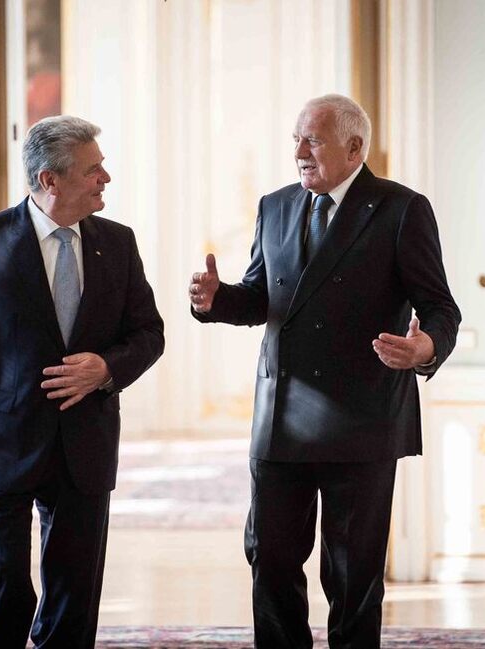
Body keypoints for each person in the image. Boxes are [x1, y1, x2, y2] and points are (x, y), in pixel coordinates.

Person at [189, 94, 461, 648]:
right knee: (270, 560)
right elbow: (263, 299)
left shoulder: (401, 209)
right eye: (295, 138)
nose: (299, 151)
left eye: (312, 139)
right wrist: (216, 301)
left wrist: (425, 347)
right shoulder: (277, 205)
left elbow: (440, 307)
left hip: (361, 420)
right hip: (281, 416)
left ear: (355, 147)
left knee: (352, 574)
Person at [0, 115, 164, 648]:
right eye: (93, 170)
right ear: (49, 179)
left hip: (85, 445)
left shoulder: (118, 243)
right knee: (3, 578)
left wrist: (107, 367)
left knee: (75, 588)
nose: (106, 178)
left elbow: (149, 333)